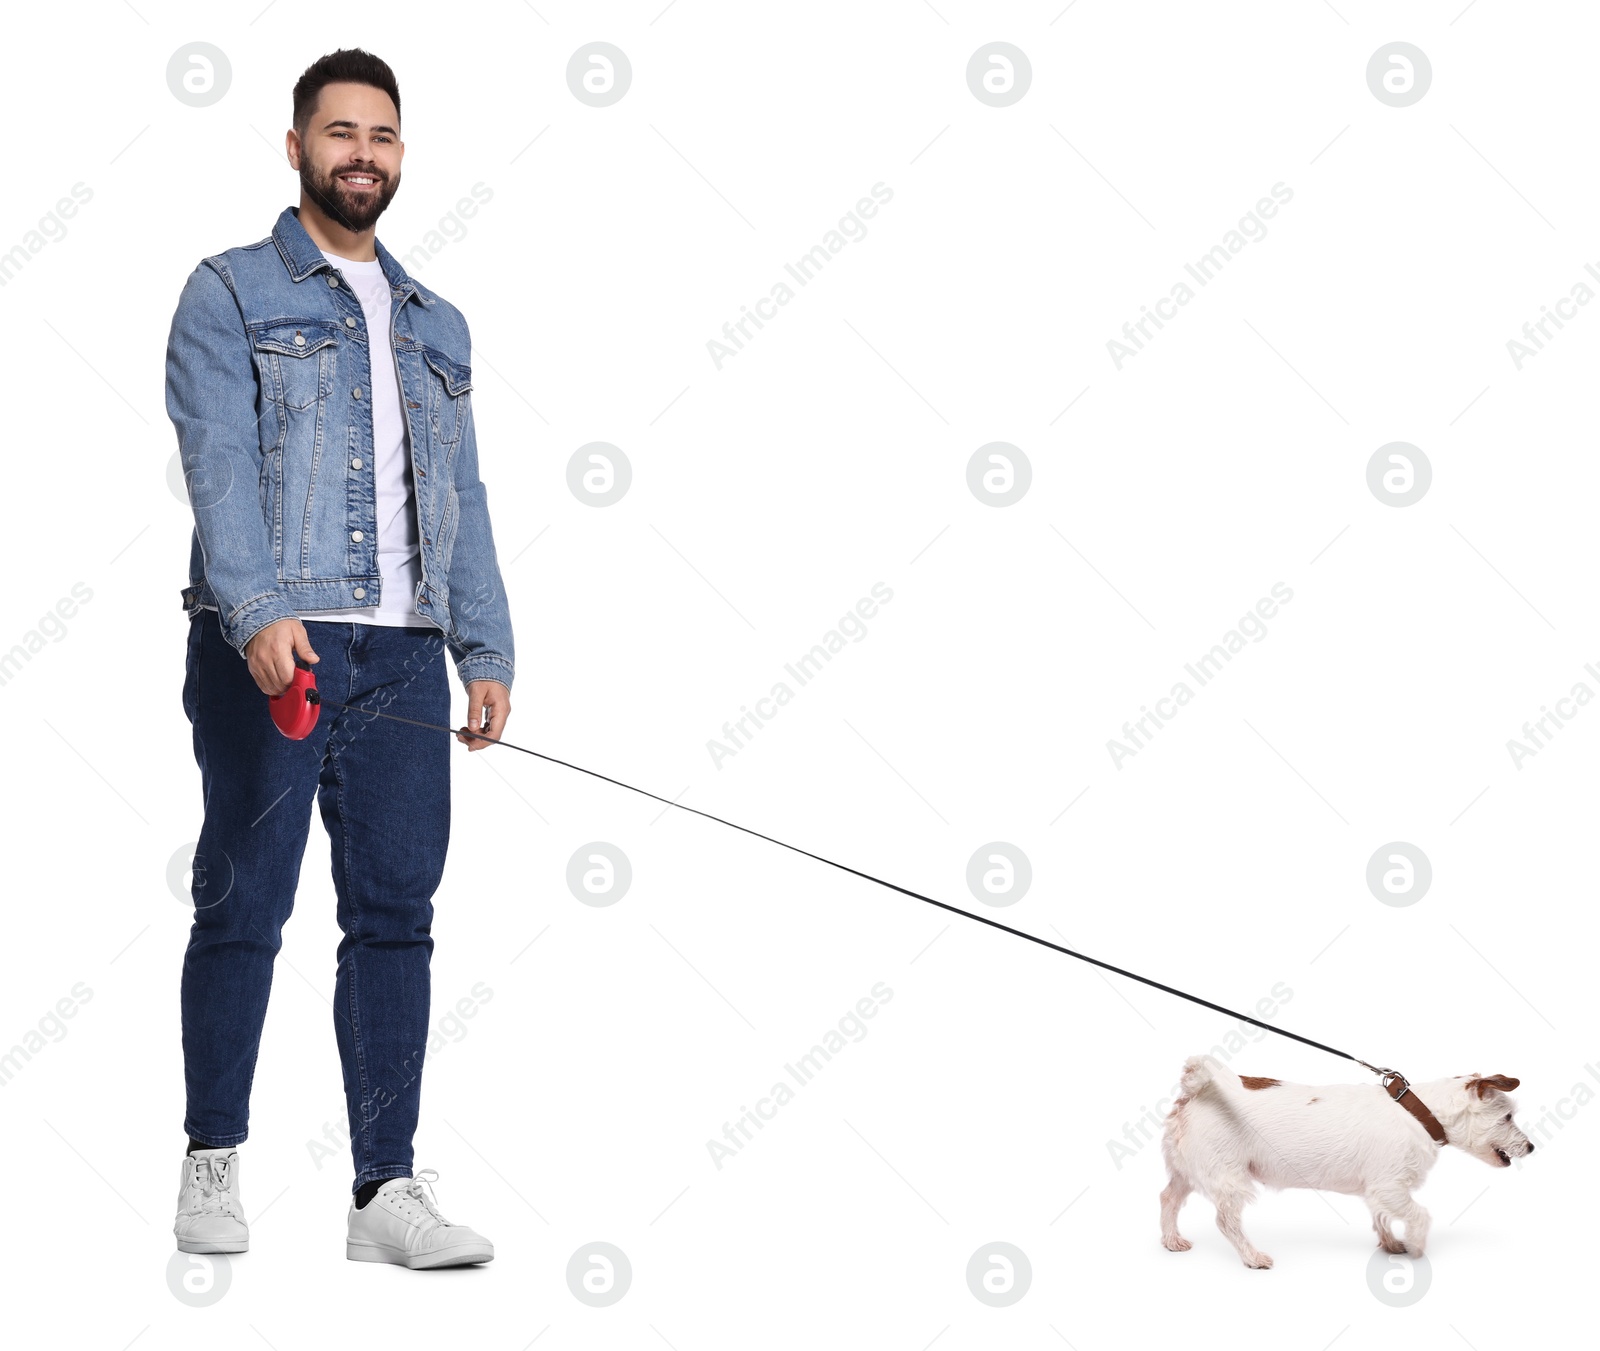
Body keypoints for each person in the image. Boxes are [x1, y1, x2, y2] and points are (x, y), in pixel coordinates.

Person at [164, 47, 514, 1269]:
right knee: (244, 904)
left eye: (382, 135)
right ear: (298, 145)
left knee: (395, 920)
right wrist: (256, 610)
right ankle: (213, 1156)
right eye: (338, 132)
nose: (361, 153)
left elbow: (457, 490)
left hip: (407, 659)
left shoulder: (439, 322)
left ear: (401, 154)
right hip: (279, 644)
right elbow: (215, 463)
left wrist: (485, 642)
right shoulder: (230, 291)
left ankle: (384, 1190)